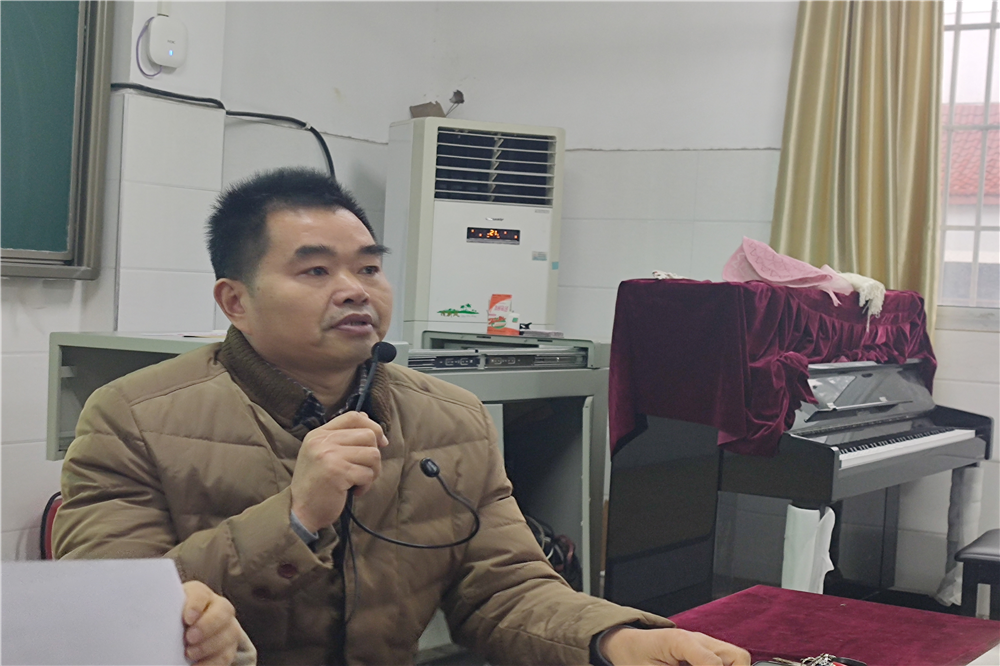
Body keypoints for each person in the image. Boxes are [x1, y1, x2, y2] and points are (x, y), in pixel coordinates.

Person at [53, 168, 750, 666]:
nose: (355, 291)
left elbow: (505, 589)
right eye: (315, 271)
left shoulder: (449, 417)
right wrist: (295, 517)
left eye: (368, 269)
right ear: (235, 301)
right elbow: (103, 615)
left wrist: (617, 640)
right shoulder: (131, 417)